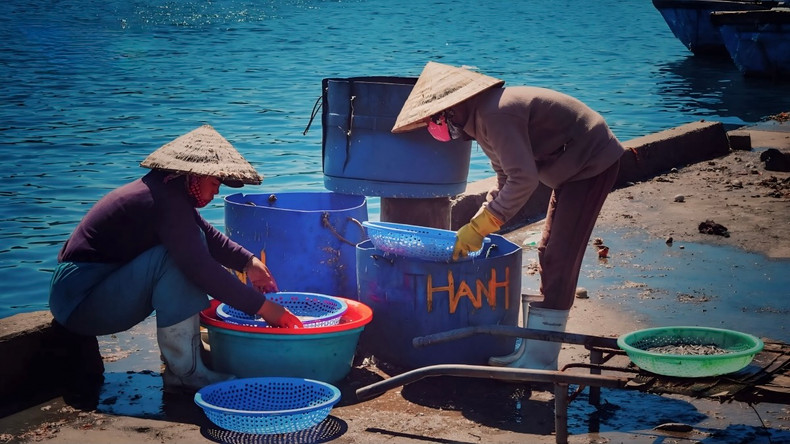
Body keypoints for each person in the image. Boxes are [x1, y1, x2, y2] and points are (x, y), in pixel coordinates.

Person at [392, 62, 624, 371]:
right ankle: (533, 348)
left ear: (455, 107)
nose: (439, 129)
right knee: (548, 251)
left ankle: (540, 360)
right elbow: (504, 178)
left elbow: (523, 179)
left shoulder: (495, 115)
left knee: (559, 257)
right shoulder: (482, 121)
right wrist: (476, 223)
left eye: (437, 120)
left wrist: (485, 225)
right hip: (571, 169)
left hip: (591, 163)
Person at [49, 124, 303, 394]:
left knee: (189, 246)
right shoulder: (165, 200)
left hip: (85, 292)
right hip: (79, 299)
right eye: (215, 182)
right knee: (174, 260)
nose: (217, 192)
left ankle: (187, 358)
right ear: (195, 175)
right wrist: (264, 308)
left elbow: (205, 234)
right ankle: (186, 372)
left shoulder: (166, 190)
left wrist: (248, 262)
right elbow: (199, 268)